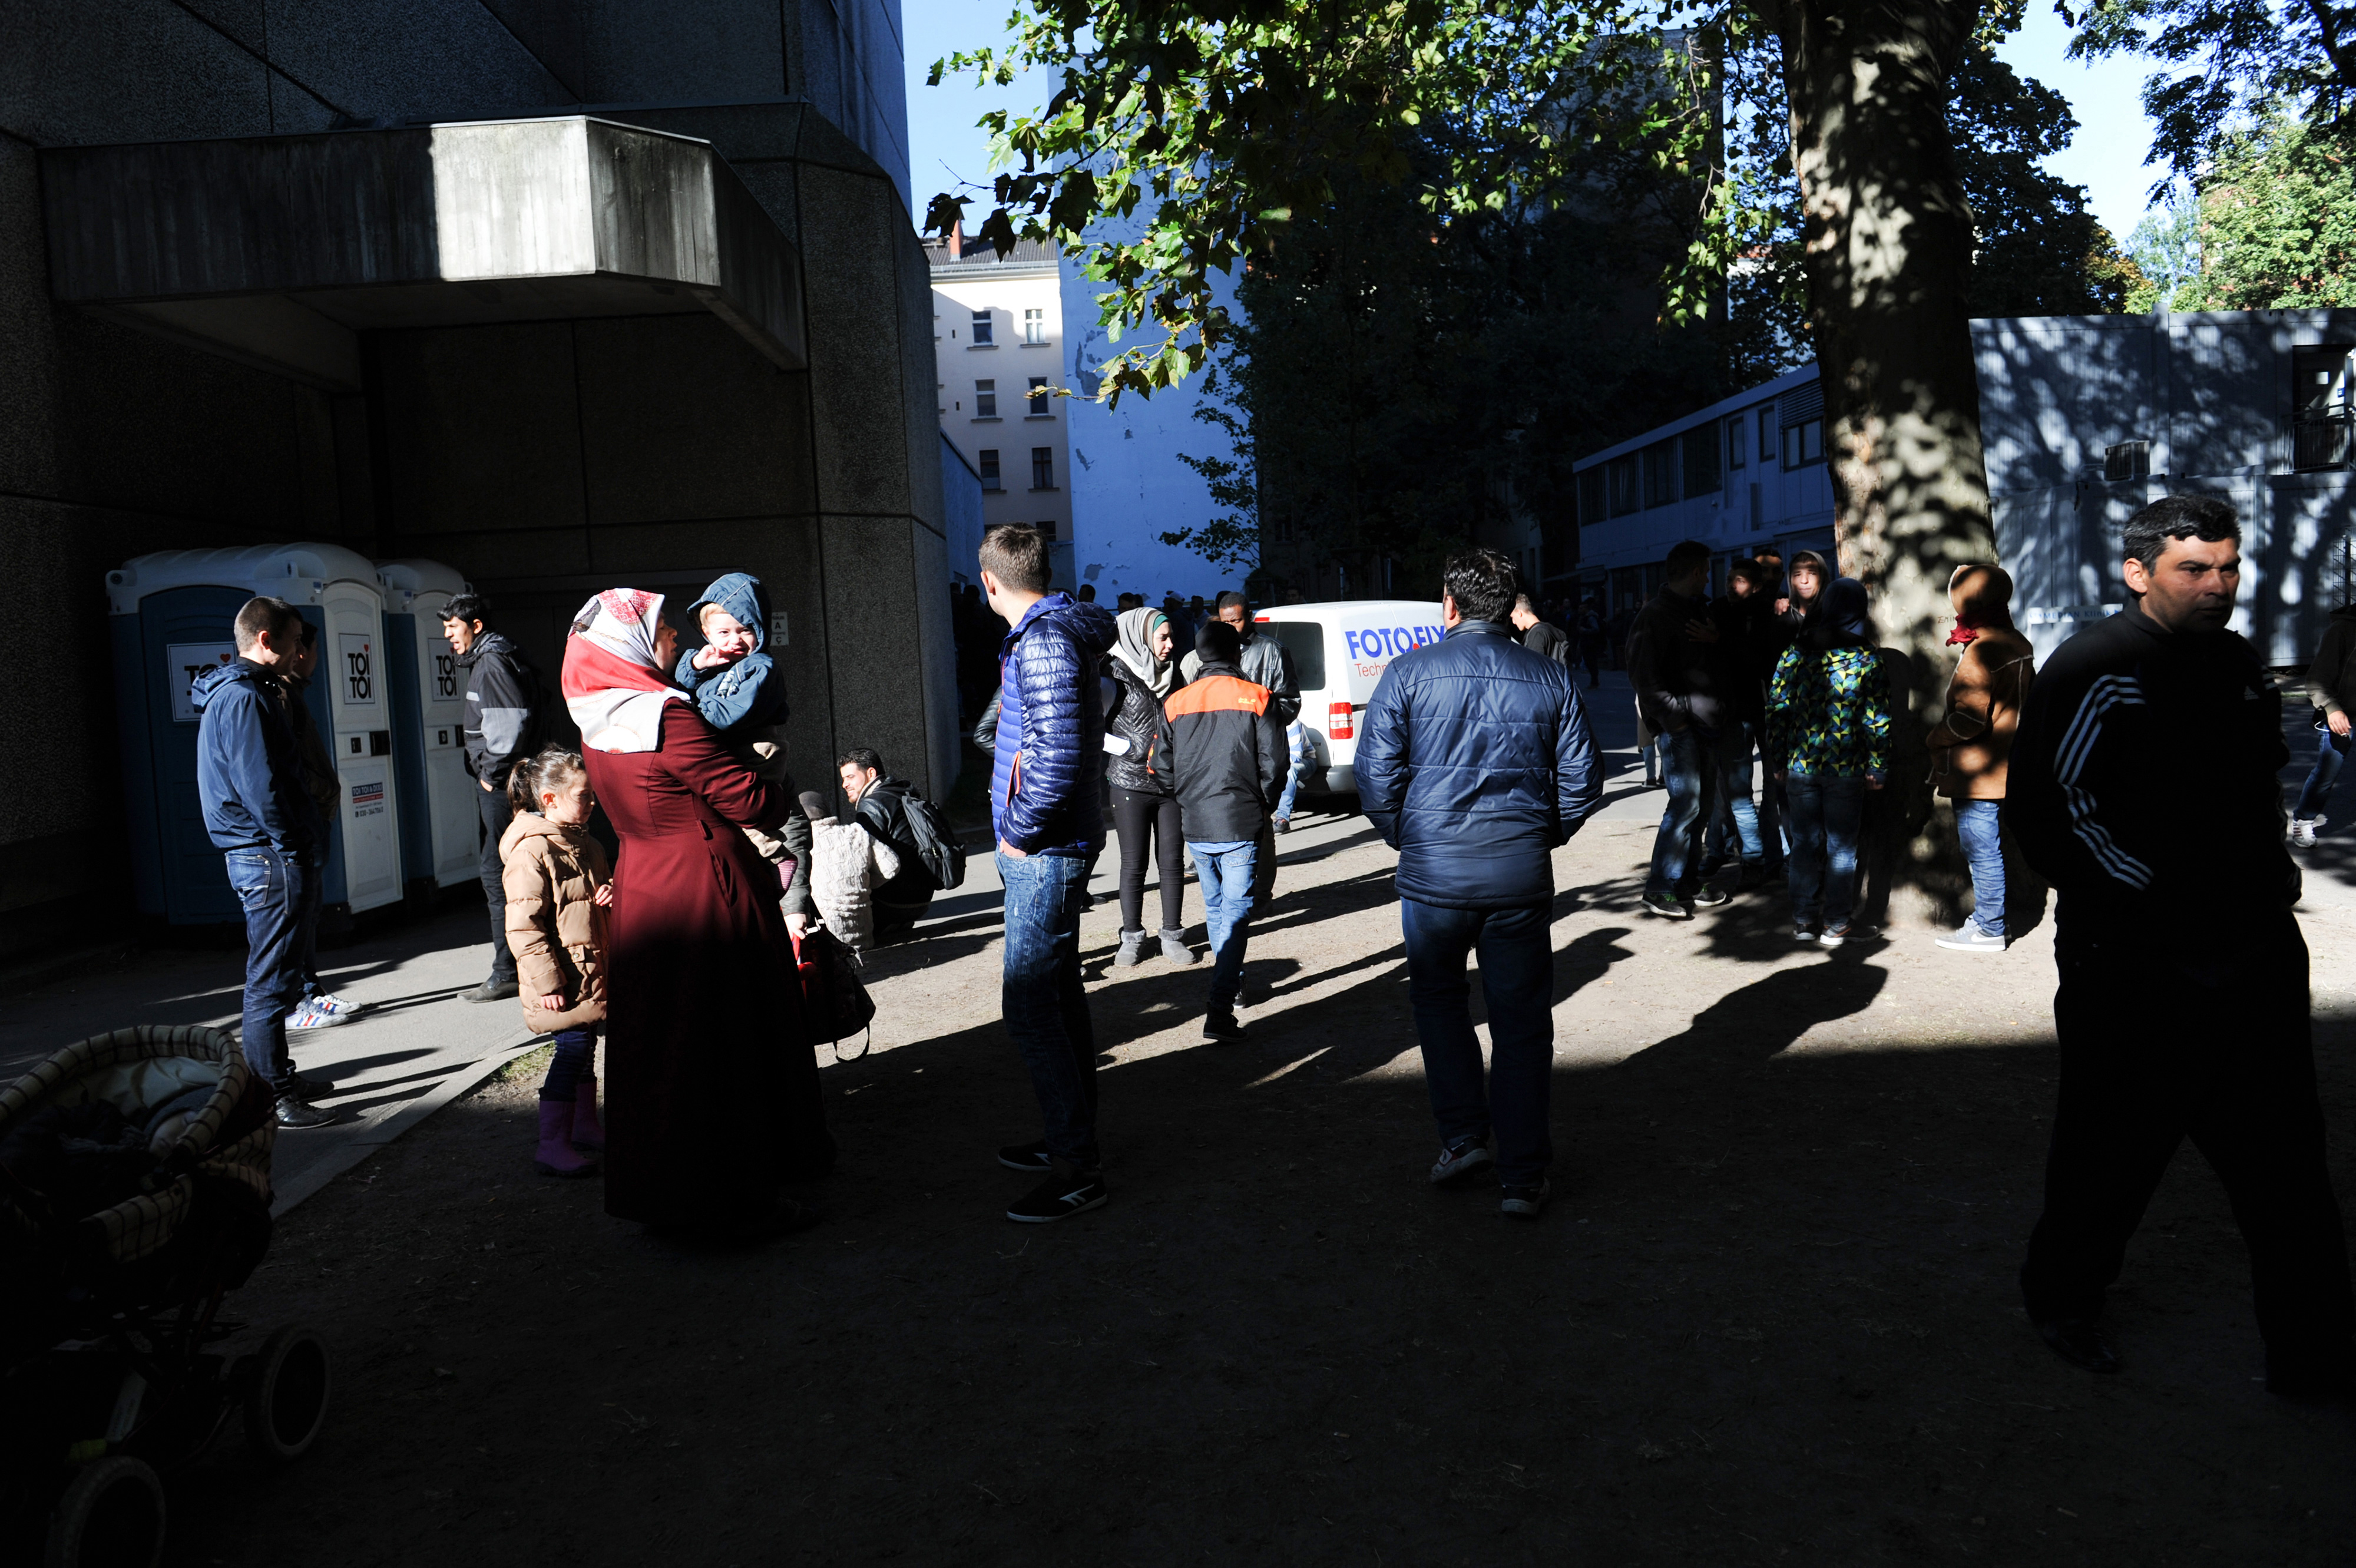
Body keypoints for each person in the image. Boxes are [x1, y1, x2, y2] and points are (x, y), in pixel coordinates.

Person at [2007, 496, 2355, 1397]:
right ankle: (2064, 1300)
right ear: (2138, 573)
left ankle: (2313, 1357)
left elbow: (2248, 792)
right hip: (2135, 967)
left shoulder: (2240, 664)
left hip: (2255, 960)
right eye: (2194, 569)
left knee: (2289, 1167)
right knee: (2109, 1151)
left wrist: (2267, 881)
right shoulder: (2096, 667)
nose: (2218, 586)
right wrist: (2162, 898)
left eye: (2228, 568)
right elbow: (2051, 815)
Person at [562, 587, 829, 1238]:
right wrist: (773, 782)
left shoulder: (596, 717)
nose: (677, 639)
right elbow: (747, 801)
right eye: (663, 631)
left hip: (646, 883)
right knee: (724, 1042)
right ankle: (738, 1201)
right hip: (705, 888)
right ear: (628, 643)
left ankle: (666, 1195)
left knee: (661, 1045)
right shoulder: (664, 715)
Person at [1358, 549, 1600, 1220]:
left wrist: (1409, 837)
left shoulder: (1406, 674)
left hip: (1433, 878)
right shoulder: (1548, 678)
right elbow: (1582, 781)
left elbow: (1376, 778)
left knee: (1439, 1007)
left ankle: (1463, 1138)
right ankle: (1522, 1175)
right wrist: (1540, 835)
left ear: (1450, 604)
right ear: (1509, 605)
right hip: (1517, 878)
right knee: (1521, 1022)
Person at [980, 524, 1119, 1223]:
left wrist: (1018, 835)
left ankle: (1076, 1168)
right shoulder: (1054, 633)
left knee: (1032, 1005)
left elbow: (1059, 755)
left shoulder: (1042, 640)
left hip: (1044, 849)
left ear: (990, 583)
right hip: (1054, 844)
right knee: (1058, 997)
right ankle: (1070, 1141)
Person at [191, 596, 333, 1128]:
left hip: (265, 852)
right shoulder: (246, 698)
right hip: (268, 854)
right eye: (296, 641)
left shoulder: (245, 692)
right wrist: (293, 844)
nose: (302, 651)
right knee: (270, 982)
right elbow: (262, 787)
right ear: (267, 640)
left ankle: (280, 1079)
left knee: (278, 977)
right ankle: (272, 1095)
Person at [1156, 620, 1288, 1041]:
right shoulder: (1257, 697)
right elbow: (1276, 763)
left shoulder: (1176, 702)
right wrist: (1263, 802)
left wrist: (1188, 797)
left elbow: (1161, 769)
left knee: (1218, 911)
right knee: (1234, 914)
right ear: (1238, 654)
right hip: (1240, 820)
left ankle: (1229, 991)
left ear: (1198, 655)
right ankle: (1220, 1005)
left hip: (1196, 822)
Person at [673, 573, 818, 935]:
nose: (735, 640)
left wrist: (688, 713)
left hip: (757, 748)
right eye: (724, 633)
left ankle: (774, 853)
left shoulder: (761, 668)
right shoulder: (712, 663)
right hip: (734, 748)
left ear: (760, 630)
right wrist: (696, 667)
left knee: (743, 808)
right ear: (707, 635)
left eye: (745, 630)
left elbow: (732, 714)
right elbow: (679, 678)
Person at [499, 746, 613, 1179]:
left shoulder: (587, 844)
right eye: (584, 796)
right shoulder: (532, 852)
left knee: (586, 1047)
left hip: (588, 970)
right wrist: (548, 982)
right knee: (572, 1050)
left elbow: (591, 899)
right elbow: (524, 927)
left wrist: (614, 891)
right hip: (561, 979)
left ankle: (584, 1127)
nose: (593, 803)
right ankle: (552, 1144)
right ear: (549, 799)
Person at [1765, 577, 1890, 945]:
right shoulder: (1867, 658)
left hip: (1801, 767)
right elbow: (1876, 718)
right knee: (1842, 847)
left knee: (1804, 844)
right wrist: (1878, 766)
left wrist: (1777, 757)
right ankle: (1836, 924)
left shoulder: (1796, 652)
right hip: (1847, 769)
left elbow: (1777, 708)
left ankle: (1804, 920)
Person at [1925, 564, 2035, 952]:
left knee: (1982, 849)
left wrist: (1935, 738)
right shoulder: (2017, 641)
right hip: (2010, 763)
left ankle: (1989, 927)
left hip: (1977, 771)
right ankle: (1991, 921)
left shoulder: (1982, 650)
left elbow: (1969, 719)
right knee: (1994, 846)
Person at [446, 593, 546, 1004]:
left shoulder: (491, 662)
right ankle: (521, 965)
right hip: (512, 782)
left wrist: (490, 776)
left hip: (502, 786)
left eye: (453, 628)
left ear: (476, 626)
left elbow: (508, 726)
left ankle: (508, 970)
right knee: (515, 870)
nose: (449, 637)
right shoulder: (502, 655)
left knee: (498, 873)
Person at [279, 618, 372, 1032]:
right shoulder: (280, 697)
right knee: (297, 916)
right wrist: (322, 793)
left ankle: (311, 989)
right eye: (306, 646)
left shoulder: (293, 694)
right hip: (302, 821)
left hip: (313, 817)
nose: (310, 655)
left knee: (310, 913)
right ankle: (300, 998)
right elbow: (291, 767)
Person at [1627, 541, 1728, 919]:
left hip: (1705, 724)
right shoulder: (1654, 615)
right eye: (1704, 571)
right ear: (1693, 572)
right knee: (1685, 805)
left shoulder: (1699, 610)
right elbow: (1644, 676)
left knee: (1698, 808)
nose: (1708, 578)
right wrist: (1675, 718)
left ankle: (1685, 880)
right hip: (1682, 727)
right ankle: (1660, 886)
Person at [1180, 590, 1301, 891]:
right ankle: (1230, 892)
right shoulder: (1200, 656)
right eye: (1225, 621)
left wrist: (1258, 723)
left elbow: (1290, 701)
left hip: (1257, 749)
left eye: (1236, 620)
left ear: (1250, 616)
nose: (1231, 626)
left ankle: (1260, 893)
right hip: (1217, 751)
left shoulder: (1272, 651)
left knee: (1260, 826)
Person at [1102, 606, 1195, 968]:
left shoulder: (1176, 677)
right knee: (1134, 863)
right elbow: (1091, 727)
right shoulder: (1113, 673)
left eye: (1172, 637)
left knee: (1171, 863)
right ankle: (1132, 937)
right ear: (1140, 637)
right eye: (1163, 637)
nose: (1171, 645)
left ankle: (1172, 935)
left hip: (1170, 783)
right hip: (1129, 783)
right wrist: (1127, 749)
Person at [1699, 560, 1772, 891]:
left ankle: (1763, 858)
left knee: (1772, 789)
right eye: (1729, 580)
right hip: (1731, 714)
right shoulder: (1714, 611)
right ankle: (1749, 858)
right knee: (1735, 792)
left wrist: (1721, 641)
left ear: (1755, 586)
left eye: (1739, 581)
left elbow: (1761, 658)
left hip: (1767, 711)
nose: (1731, 585)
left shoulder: (1769, 613)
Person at [837, 750, 939, 942]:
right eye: (843, 779)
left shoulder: (871, 804)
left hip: (894, 902)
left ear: (871, 774)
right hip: (922, 898)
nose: (845, 785)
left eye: (850, 777)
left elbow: (866, 861)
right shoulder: (900, 791)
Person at [799, 789, 904, 952]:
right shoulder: (856, 833)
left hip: (827, 943)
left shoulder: (801, 846)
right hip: (865, 938)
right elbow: (892, 866)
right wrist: (865, 884)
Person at [2290, 598, 2356, 846]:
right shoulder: (2342, 629)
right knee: (2328, 770)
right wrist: (2332, 709)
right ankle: (2303, 820)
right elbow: (2317, 678)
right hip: (2342, 714)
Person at [1510, 594, 1574, 670]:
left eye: (1513, 617)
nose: (1513, 622)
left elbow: (1534, 669)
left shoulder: (1537, 634)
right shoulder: (1546, 628)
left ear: (1519, 613)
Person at [1575, 598, 1605, 688]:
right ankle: (1594, 681)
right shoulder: (1584, 617)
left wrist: (1585, 631)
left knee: (1591, 662)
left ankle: (1595, 681)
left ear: (1586, 609)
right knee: (1589, 662)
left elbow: (1596, 629)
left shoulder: (1590, 618)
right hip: (1586, 643)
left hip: (1591, 643)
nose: (1579, 610)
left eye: (1581, 608)